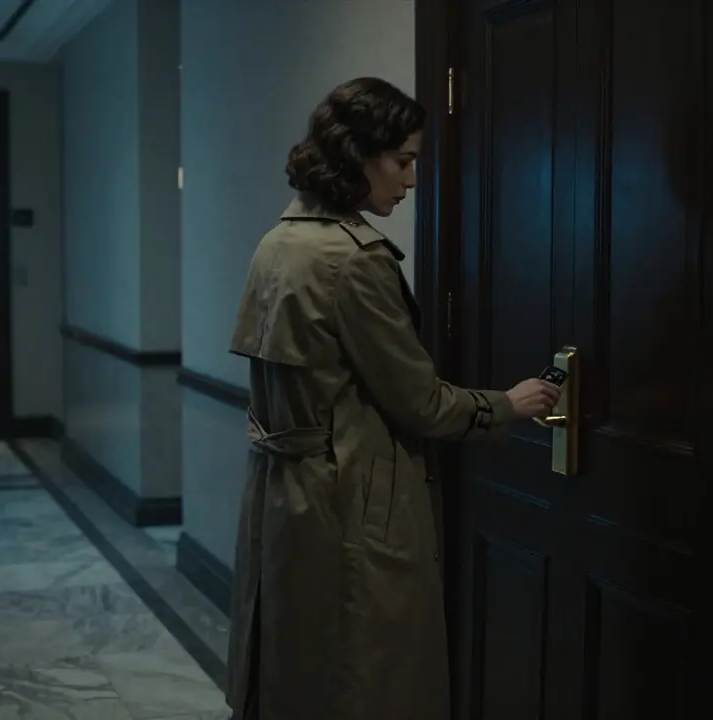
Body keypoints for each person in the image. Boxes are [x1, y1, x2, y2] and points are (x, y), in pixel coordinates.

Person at [226, 77, 562, 719]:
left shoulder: (278, 244)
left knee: (295, 671)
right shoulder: (354, 259)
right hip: (351, 498)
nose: (411, 181)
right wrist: (509, 404)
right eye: (403, 161)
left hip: (282, 495)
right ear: (357, 155)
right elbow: (420, 402)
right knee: (370, 678)